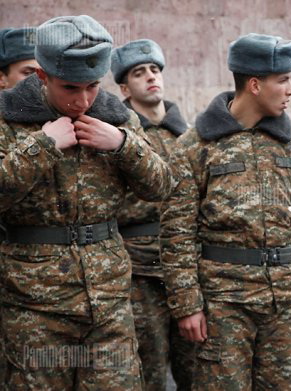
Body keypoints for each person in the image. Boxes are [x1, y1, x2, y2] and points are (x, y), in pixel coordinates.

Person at [0, 15, 174, 389]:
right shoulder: (7, 119)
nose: (82, 101)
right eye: (69, 88)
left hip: (109, 300)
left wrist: (124, 147)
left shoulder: (118, 118)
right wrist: (40, 148)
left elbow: (162, 187)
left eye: (93, 86)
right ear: (42, 76)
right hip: (35, 306)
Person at [161, 33, 291, 390]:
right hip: (223, 304)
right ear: (254, 84)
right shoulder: (195, 146)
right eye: (282, 80)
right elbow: (177, 233)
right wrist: (188, 305)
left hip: (282, 302)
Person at [111, 38, 194, 390]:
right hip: (140, 267)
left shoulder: (188, 135)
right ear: (123, 87)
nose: (150, 77)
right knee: (150, 364)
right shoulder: (118, 134)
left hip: (188, 265)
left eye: (155, 70)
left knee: (195, 363)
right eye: (139, 72)